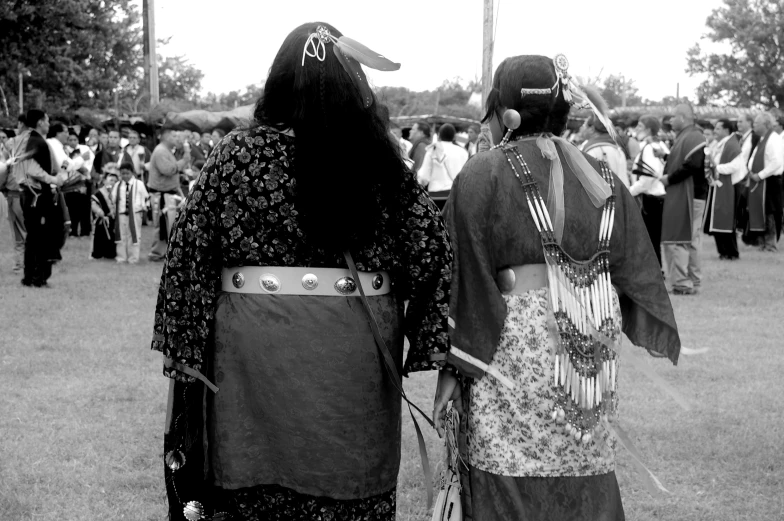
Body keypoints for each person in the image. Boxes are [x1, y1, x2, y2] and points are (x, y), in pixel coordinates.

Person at [151, 22, 451, 521]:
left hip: (253, 351)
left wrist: (188, 353)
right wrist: (432, 343)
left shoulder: (236, 156)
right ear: (355, 85)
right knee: (350, 491)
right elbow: (433, 255)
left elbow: (188, 258)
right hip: (350, 352)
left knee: (252, 498)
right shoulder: (379, 161)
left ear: (280, 81)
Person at [433, 54, 680, 521]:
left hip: (513, 339)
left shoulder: (483, 173)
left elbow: (464, 274)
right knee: (582, 455)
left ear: (504, 109)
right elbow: (638, 270)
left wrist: (455, 362)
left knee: (505, 458)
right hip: (588, 334)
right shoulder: (605, 177)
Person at [16, 109, 68, 287]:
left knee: (34, 236)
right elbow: (30, 167)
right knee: (44, 235)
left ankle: (30, 276)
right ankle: (38, 276)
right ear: (39, 122)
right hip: (37, 196)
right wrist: (53, 179)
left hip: (31, 195)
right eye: (47, 120)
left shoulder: (28, 140)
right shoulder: (35, 141)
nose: (48, 123)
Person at [661, 103, 707, 295]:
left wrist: (669, 178)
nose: (670, 120)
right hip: (692, 193)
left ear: (683, 117)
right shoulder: (686, 136)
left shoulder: (694, 136)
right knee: (692, 239)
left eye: (673, 116)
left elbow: (693, 165)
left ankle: (682, 282)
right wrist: (664, 156)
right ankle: (692, 281)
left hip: (690, 195)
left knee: (680, 237)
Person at [629, 114, 668, 265]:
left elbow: (649, 176)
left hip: (651, 197)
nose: (637, 129)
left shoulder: (650, 147)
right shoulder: (660, 145)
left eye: (640, 126)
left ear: (648, 129)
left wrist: (630, 191)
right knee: (653, 238)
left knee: (650, 238)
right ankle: (656, 268)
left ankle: (655, 270)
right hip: (656, 196)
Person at [702, 119, 742, 259]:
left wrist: (716, 167)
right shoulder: (721, 144)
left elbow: (735, 166)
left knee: (726, 219)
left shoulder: (732, 145)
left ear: (726, 130)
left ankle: (731, 252)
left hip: (728, 186)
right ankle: (723, 252)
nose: (715, 131)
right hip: (718, 185)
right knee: (718, 218)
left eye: (718, 128)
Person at [146, 127, 189, 262]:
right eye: (174, 136)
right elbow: (168, 170)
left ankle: (164, 251)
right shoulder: (160, 151)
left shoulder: (166, 151)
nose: (177, 139)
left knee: (167, 224)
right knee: (161, 225)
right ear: (167, 137)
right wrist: (185, 159)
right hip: (161, 195)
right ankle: (156, 252)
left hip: (168, 193)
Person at [746, 112, 783, 251]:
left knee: (770, 212)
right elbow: (754, 157)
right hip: (759, 181)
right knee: (760, 211)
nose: (753, 126)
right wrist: (750, 170)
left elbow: (776, 162)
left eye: (756, 123)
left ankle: (770, 245)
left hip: (770, 181)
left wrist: (760, 175)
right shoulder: (762, 139)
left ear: (766, 125)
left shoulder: (774, 139)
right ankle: (762, 243)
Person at [0, 117, 29, 272]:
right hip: (19, 194)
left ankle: (21, 264)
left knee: (20, 232)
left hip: (18, 194)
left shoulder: (11, 146)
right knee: (25, 230)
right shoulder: (36, 144)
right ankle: (22, 264)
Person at [417, 123, 468, 209]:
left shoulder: (433, 150)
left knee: (438, 221)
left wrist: (420, 186)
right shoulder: (463, 152)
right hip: (457, 195)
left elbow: (423, 176)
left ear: (439, 135)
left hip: (436, 196)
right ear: (454, 136)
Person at [111, 162, 148, 263]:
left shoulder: (138, 184)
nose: (125, 176)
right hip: (121, 214)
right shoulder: (118, 185)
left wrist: (143, 208)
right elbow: (113, 199)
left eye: (127, 173)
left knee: (134, 235)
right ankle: (121, 257)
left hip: (135, 213)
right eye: (122, 174)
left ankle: (133, 258)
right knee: (121, 235)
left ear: (132, 173)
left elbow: (145, 197)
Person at [581, 112, 630, 186]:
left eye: (584, 125)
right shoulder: (617, 148)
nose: (581, 128)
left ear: (592, 129)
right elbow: (624, 182)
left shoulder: (593, 150)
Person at [90, 169, 118, 259]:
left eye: (115, 181)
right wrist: (99, 211)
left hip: (113, 219)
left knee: (112, 237)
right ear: (105, 180)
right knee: (100, 237)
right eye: (111, 180)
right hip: (102, 220)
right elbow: (93, 204)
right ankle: (98, 253)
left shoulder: (117, 192)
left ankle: (110, 254)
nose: (113, 182)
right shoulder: (99, 193)